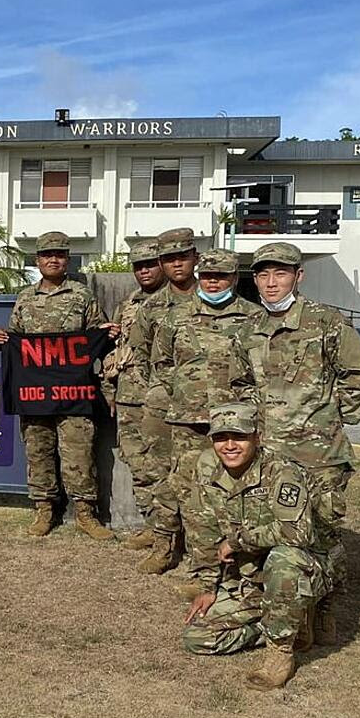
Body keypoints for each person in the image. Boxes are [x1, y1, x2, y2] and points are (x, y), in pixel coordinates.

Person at [240, 242, 360, 643]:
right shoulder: (250, 330)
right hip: (270, 456)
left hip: (321, 456)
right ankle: (292, 615)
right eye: (263, 275)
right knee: (283, 536)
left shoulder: (326, 322)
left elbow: (358, 376)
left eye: (280, 273)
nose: (271, 282)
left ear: (298, 276)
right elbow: (240, 384)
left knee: (325, 533)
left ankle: (326, 608)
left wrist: (330, 419)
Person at [182, 403, 328, 691]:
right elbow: (203, 528)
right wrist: (208, 585)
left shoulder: (282, 472)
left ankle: (280, 652)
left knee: (284, 558)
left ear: (257, 437)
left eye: (239, 436)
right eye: (221, 438)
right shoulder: (206, 466)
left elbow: (297, 531)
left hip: (300, 569)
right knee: (198, 638)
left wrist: (238, 541)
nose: (230, 446)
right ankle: (290, 620)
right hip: (251, 577)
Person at [0, 231, 116, 540]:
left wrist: (105, 334)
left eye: (59, 254)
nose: (53, 259)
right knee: (38, 451)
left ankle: (86, 513)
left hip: (73, 392)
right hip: (35, 394)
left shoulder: (82, 295)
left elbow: (96, 338)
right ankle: (44, 510)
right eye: (47, 255)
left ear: (67, 260)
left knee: (79, 453)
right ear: (38, 261)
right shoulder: (25, 298)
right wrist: (0, 339)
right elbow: (14, 339)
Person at [144, 248, 262, 579]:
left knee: (232, 491)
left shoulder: (254, 318)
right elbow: (162, 362)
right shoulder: (175, 316)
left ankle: (234, 560)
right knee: (184, 489)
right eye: (207, 276)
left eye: (220, 276)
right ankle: (177, 552)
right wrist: (184, 393)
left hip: (235, 425)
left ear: (234, 278)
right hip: (187, 420)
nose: (212, 282)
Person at [127, 228, 199, 569]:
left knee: (204, 481)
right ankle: (165, 544)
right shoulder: (152, 306)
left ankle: (205, 554)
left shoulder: (220, 298)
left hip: (210, 411)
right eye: (169, 259)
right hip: (163, 407)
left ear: (195, 258)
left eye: (182, 256)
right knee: (159, 476)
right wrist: (157, 392)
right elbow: (139, 354)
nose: (176, 264)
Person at [101, 237, 165, 549]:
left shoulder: (178, 302)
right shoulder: (127, 305)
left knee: (168, 467)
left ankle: (173, 531)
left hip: (166, 400)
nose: (144, 271)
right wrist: (108, 389)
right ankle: (154, 526)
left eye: (150, 264)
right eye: (138, 266)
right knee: (138, 464)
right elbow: (113, 350)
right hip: (129, 396)